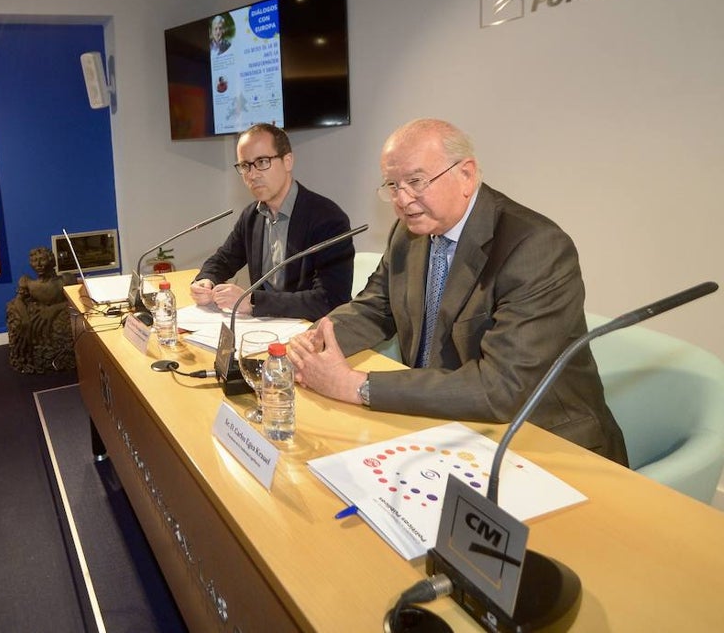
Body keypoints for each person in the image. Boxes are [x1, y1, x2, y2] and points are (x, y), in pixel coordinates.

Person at [286, 118, 628, 464]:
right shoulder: (409, 234)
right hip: (446, 425)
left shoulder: (536, 247)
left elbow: (501, 387)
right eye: (393, 185)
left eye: (416, 181)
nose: (402, 200)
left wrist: (357, 386)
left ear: (466, 174)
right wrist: (309, 346)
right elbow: (375, 308)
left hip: (543, 441)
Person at [190, 123, 354, 320]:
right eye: (245, 166)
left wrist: (252, 301)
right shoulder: (252, 216)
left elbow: (330, 300)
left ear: (288, 161)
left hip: (309, 331)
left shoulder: (328, 219)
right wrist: (206, 279)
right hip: (265, 328)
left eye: (262, 162)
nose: (252, 174)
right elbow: (224, 259)